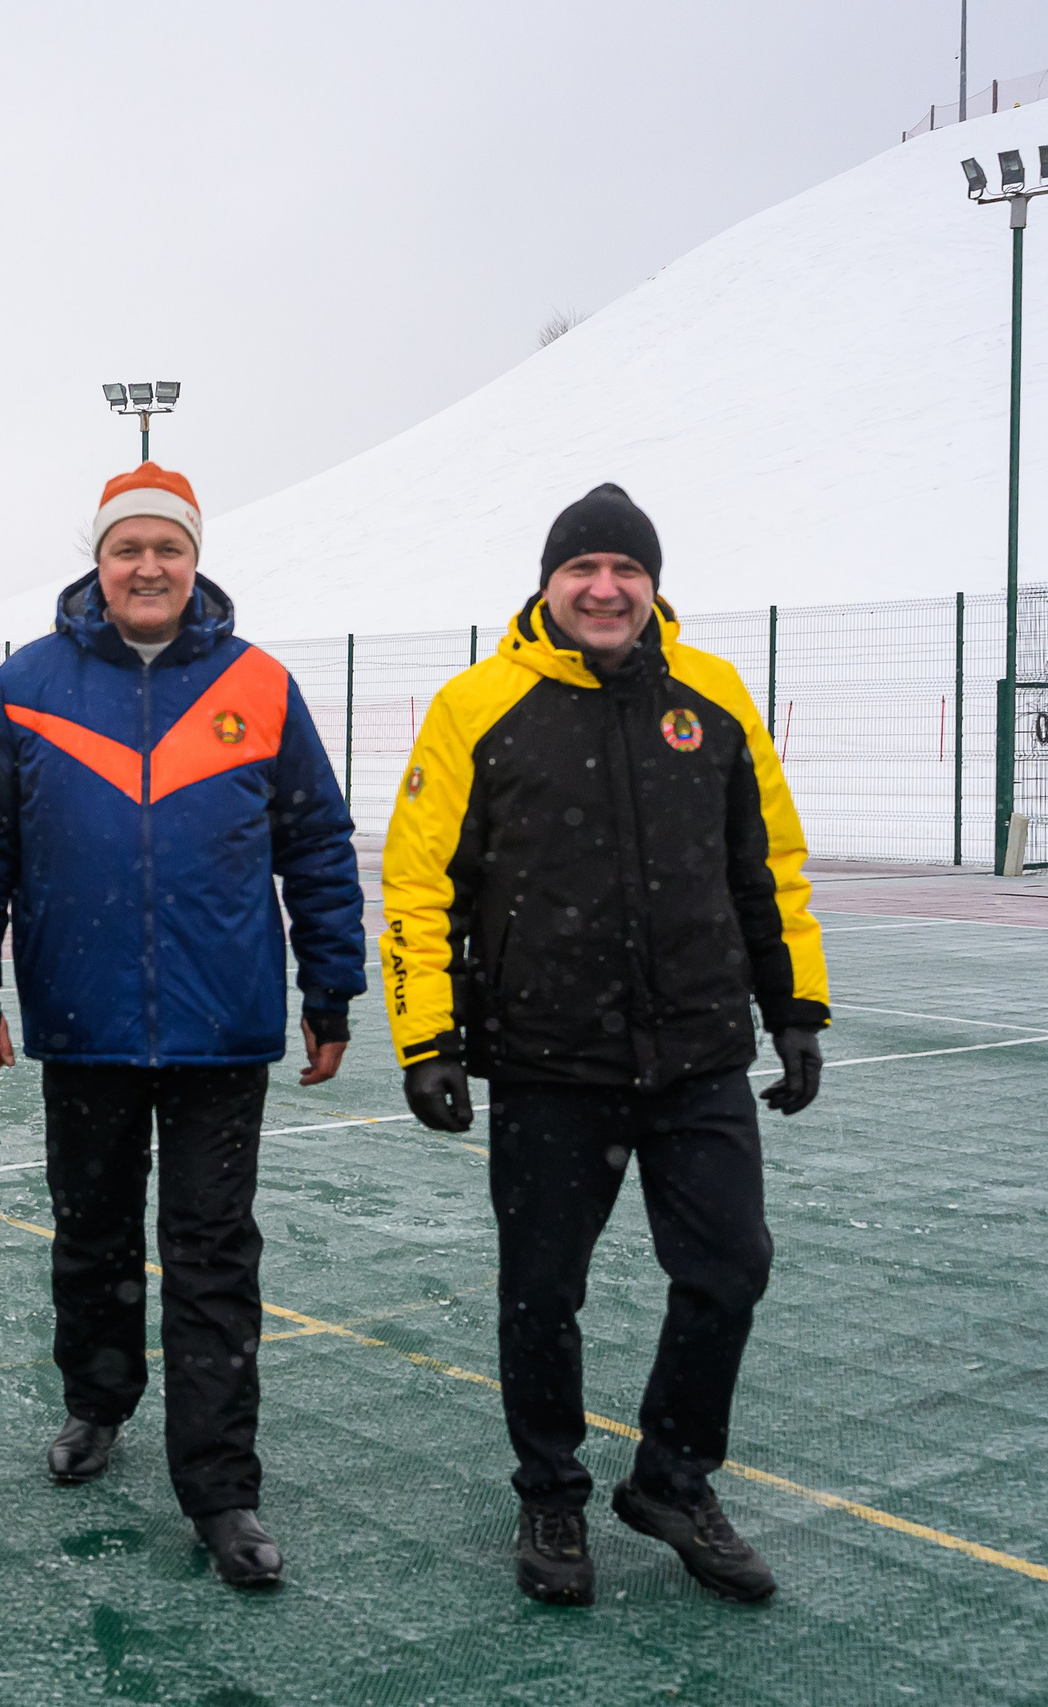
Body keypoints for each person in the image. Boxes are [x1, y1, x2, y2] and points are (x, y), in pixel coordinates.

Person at [379, 482, 829, 1608]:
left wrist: (795, 1011)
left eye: (626, 569)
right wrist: (425, 1037)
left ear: (652, 585)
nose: (605, 587)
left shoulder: (712, 698)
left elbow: (763, 865)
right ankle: (551, 1492)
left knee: (730, 1269)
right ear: (546, 584)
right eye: (583, 568)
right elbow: (419, 882)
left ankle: (674, 1480)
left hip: (696, 1054)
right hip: (547, 1061)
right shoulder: (476, 705)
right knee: (541, 1293)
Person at [0, 463, 367, 1590]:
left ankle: (222, 1488)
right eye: (128, 548)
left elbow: (317, 847)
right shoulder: (24, 688)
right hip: (79, 1024)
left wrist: (331, 988)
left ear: (195, 561)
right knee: (89, 1235)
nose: (147, 567)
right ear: (98, 560)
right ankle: (96, 1402)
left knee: (212, 1255)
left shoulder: (261, 687)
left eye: (167, 549)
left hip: (221, 1032)